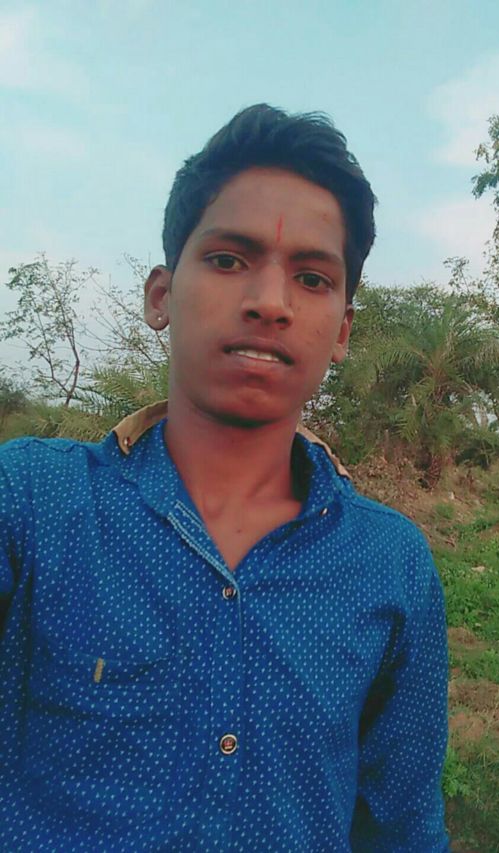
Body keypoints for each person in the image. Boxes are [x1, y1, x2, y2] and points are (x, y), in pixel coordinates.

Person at [0, 104, 449, 851]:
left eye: (311, 277)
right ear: (161, 295)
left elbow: (402, 824)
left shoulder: (391, 564)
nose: (269, 302)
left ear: (342, 331)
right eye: (228, 260)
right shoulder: (32, 503)